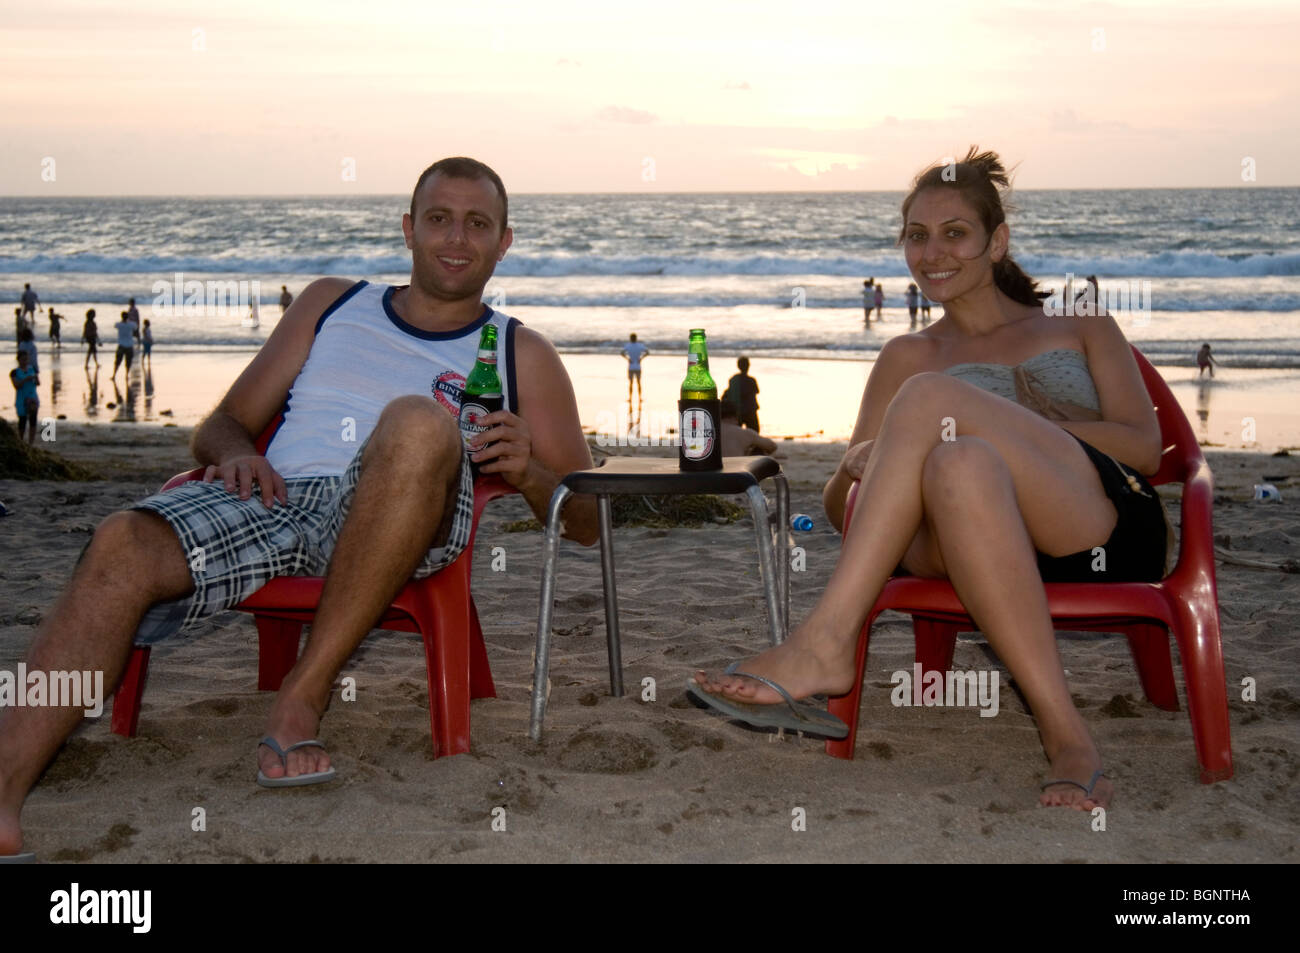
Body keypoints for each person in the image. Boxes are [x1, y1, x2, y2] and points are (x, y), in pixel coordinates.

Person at [0, 157, 598, 860]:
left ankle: (302, 696)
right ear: (409, 229)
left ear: (504, 243)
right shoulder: (330, 302)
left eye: (478, 223)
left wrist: (528, 470)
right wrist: (238, 450)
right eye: (439, 218)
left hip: (405, 512)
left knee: (415, 421)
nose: (456, 238)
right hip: (276, 500)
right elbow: (223, 420)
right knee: (119, 542)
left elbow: (582, 519)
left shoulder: (523, 352)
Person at [691, 147, 1167, 812]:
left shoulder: (1080, 325)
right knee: (959, 460)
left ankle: (826, 643)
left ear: (996, 241)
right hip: (965, 541)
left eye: (955, 233)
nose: (932, 251)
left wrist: (1009, 426)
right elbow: (839, 507)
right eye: (916, 235)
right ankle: (1070, 740)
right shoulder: (907, 354)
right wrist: (865, 463)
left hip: (1091, 525)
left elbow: (1145, 447)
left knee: (936, 411)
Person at [724, 356, 761, 432]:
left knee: (737, 434)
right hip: (750, 411)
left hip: (737, 411)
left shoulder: (733, 379)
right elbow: (757, 391)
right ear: (748, 366)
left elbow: (728, 393)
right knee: (754, 432)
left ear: (738, 366)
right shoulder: (751, 380)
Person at [10, 348, 39, 444]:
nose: (25, 361)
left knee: (33, 420)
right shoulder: (15, 372)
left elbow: (38, 383)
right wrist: (26, 379)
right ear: (18, 360)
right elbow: (16, 386)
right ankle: (21, 440)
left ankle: (31, 443)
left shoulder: (32, 369)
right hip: (21, 399)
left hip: (33, 398)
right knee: (22, 421)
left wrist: (35, 379)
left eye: (26, 359)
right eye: (23, 359)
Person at [620, 332, 649, 401]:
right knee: (639, 382)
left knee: (631, 383)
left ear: (630, 338)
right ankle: (640, 398)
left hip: (631, 366)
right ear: (636, 338)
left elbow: (622, 353)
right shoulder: (639, 345)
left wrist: (628, 359)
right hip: (638, 366)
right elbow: (647, 352)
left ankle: (630, 398)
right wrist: (641, 358)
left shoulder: (628, 346)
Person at [111, 310, 137, 380]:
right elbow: (135, 328)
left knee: (117, 361)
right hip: (129, 345)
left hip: (121, 345)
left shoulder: (119, 324)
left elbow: (115, 325)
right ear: (128, 317)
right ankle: (126, 375)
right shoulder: (132, 324)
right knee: (128, 362)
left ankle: (114, 375)